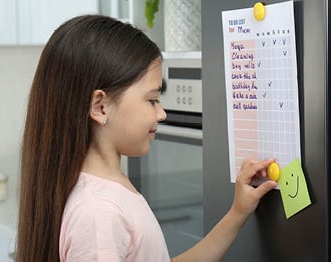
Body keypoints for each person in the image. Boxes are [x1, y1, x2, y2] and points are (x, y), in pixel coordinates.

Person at [16, 14, 277, 262]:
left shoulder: (108, 192)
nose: (162, 113)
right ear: (100, 107)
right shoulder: (99, 214)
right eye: (152, 100)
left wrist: (238, 213)